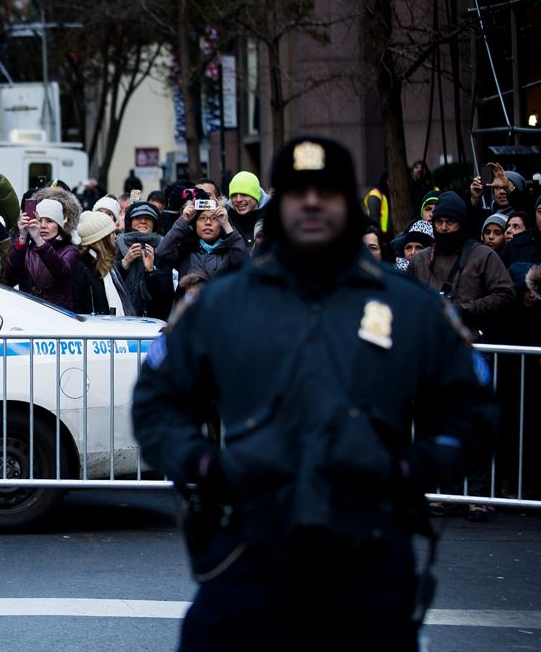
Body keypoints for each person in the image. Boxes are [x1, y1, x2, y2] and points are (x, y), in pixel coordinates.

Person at [132, 135, 498, 651]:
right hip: (251, 546)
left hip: (368, 549)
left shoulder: (408, 306)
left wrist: (416, 468)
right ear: (276, 203)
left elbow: (474, 406)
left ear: (347, 203)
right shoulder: (223, 305)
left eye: (324, 192)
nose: (310, 203)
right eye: (297, 191)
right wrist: (203, 466)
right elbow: (156, 401)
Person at [408, 192, 513, 340]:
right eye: (439, 221)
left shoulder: (483, 255)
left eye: (450, 222)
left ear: (462, 223)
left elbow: (505, 293)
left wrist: (464, 310)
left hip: (468, 345)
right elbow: (407, 299)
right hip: (426, 344)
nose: (444, 228)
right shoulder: (419, 260)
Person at [4, 196, 81, 311]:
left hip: (57, 316)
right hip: (28, 312)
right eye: (39, 220)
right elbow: (10, 275)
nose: (43, 225)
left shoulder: (69, 250)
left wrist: (38, 239)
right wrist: (22, 237)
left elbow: (62, 271)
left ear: (59, 225)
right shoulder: (26, 248)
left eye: (50, 221)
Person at [156, 196, 248, 281]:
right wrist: (184, 220)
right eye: (202, 218)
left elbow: (244, 265)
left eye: (214, 218)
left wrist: (226, 225)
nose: (208, 222)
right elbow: (162, 251)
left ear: (221, 225)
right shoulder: (185, 251)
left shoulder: (230, 252)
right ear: (195, 224)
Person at [116, 202, 174, 320]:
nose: (143, 221)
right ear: (130, 221)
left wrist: (150, 270)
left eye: (148, 218)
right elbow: (107, 284)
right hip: (120, 318)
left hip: (153, 319)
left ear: (154, 223)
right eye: (137, 218)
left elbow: (166, 294)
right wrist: (124, 263)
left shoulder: (163, 248)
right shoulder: (116, 245)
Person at [72, 210, 132, 315]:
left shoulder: (107, 265)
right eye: (112, 233)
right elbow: (76, 309)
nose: (115, 236)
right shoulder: (80, 267)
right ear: (102, 238)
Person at [227, 171, 265, 251]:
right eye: (234, 195)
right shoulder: (225, 221)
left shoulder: (271, 221)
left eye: (244, 194)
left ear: (256, 197)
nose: (238, 199)